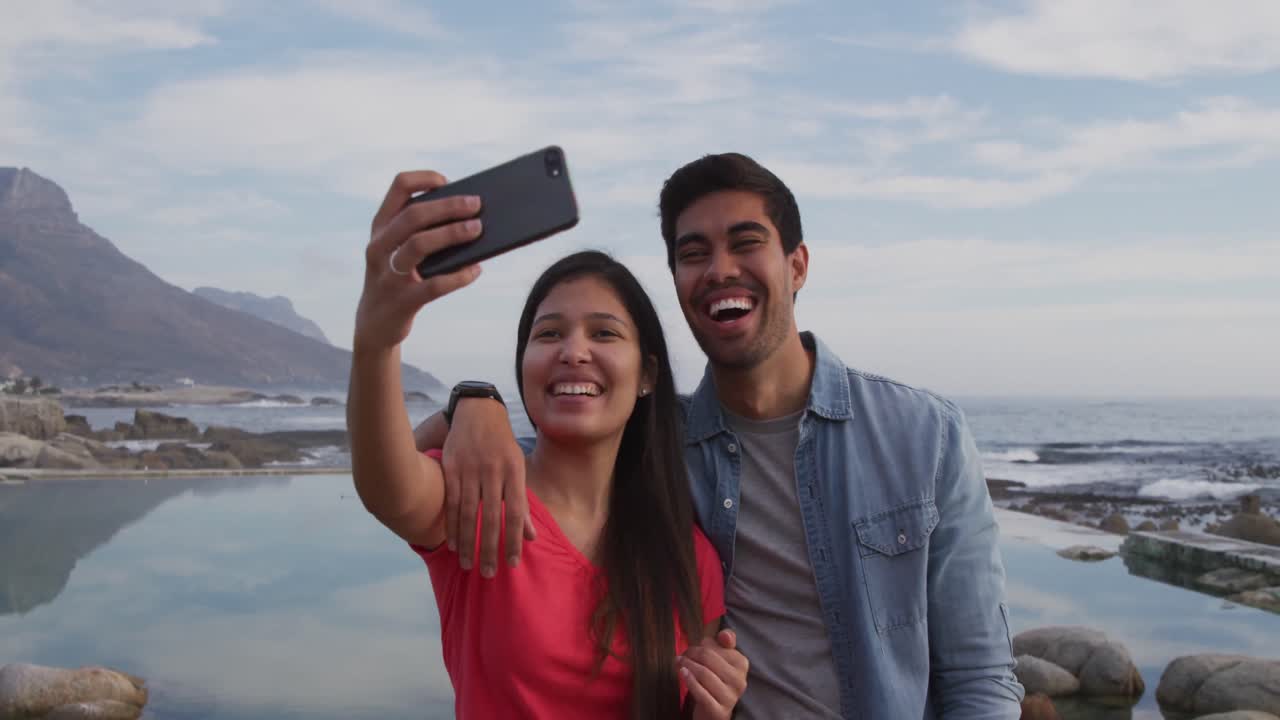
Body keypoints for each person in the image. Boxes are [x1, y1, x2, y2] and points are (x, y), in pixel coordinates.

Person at [417, 154, 1026, 718]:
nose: (719, 270)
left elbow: (980, 677)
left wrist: (469, 405)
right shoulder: (654, 443)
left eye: (746, 242)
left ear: (797, 265)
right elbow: (509, 473)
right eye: (693, 253)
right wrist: (470, 402)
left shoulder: (924, 437)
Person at [348, 171, 749, 719]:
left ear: (647, 375)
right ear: (523, 367)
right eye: (549, 334)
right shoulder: (485, 500)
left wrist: (712, 711)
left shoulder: (686, 554)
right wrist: (377, 339)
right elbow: (384, 484)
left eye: (604, 333)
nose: (573, 352)